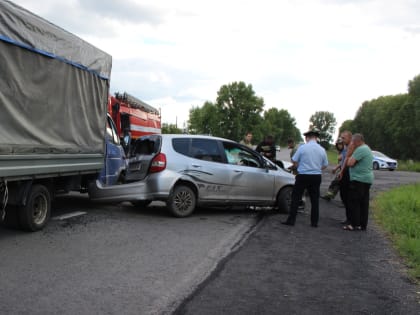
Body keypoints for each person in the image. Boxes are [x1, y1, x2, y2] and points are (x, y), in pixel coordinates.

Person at [282, 129, 328, 227]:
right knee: (315, 200)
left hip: (303, 175)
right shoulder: (322, 149)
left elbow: (294, 160)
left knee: (296, 197)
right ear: (316, 138)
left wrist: (300, 166)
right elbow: (325, 165)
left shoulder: (302, 148)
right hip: (316, 176)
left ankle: (291, 220)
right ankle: (314, 222)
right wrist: (315, 168)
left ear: (307, 137)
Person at [343, 133, 374, 231]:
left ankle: (353, 224)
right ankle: (362, 224)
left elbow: (350, 163)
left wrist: (349, 154)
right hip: (366, 179)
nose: (352, 143)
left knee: (354, 202)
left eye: (353, 141)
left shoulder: (361, 149)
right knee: (363, 203)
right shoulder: (367, 148)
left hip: (359, 179)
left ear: (356, 141)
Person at [337, 130, 353, 225]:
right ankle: (348, 218)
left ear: (350, 138)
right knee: (343, 196)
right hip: (343, 172)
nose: (342, 140)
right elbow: (342, 161)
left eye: (344, 138)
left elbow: (347, 162)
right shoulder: (345, 148)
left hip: (347, 173)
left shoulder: (351, 148)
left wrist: (342, 171)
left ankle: (350, 219)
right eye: (341, 138)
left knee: (347, 197)